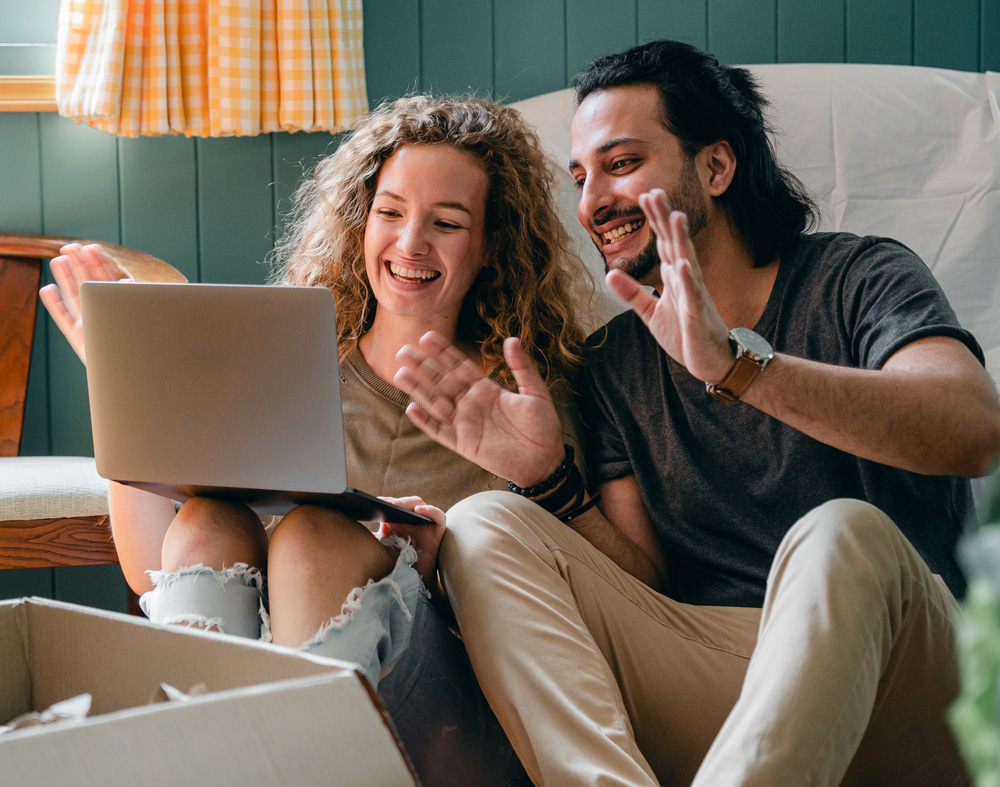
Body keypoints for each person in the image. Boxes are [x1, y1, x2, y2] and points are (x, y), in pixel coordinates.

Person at [392, 41, 1000, 786]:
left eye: (621, 164)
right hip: (727, 671)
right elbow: (646, 581)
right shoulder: (615, 363)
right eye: (581, 177)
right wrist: (550, 481)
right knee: (487, 521)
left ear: (714, 167)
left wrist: (739, 367)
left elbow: (972, 431)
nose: (591, 203)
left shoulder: (859, 277)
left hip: (904, 673)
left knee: (842, 533)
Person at [39, 94, 596, 787]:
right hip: (257, 699)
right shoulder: (288, 366)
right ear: (361, 222)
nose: (410, 243)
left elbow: (576, 604)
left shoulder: (529, 396)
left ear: (490, 244)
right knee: (210, 518)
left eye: (446, 222)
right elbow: (155, 566)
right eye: (390, 212)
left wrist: (447, 559)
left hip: (448, 714)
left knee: (312, 538)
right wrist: (122, 390)